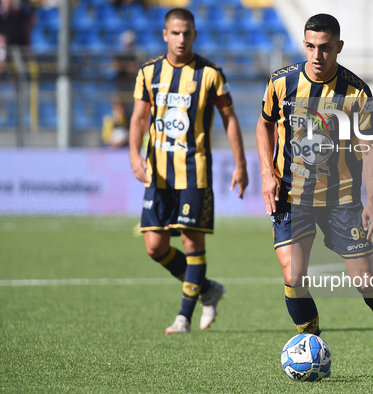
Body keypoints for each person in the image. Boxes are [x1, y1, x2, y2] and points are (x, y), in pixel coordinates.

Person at [255, 14, 373, 376]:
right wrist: (266, 173)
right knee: (294, 275)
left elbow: (370, 149)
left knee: (365, 281)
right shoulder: (282, 82)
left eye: (325, 48)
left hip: (341, 198)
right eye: (310, 46)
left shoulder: (356, 92)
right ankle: (311, 346)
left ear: (338, 47)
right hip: (292, 196)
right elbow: (263, 124)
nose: (317, 55)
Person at [129, 8, 248, 335]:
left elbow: (230, 119)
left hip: (195, 174)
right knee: (155, 247)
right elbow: (138, 118)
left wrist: (241, 164)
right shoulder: (148, 72)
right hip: (159, 175)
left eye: (187, 33)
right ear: (165, 34)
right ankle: (208, 289)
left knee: (194, 244)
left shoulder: (210, 74)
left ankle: (183, 317)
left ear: (194, 35)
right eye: (175, 33)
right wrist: (134, 155)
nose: (181, 39)